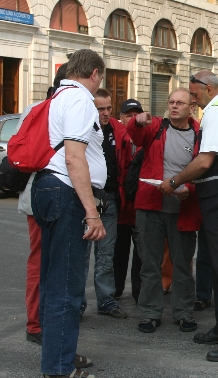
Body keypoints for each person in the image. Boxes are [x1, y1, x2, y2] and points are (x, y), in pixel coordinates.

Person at [159, 70, 218, 362]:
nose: (193, 97)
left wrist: (174, 182)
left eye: (195, 92)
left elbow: (204, 160)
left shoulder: (215, 111)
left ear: (208, 87)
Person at [31, 48, 107, 378]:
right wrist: (92, 213)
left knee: (52, 279)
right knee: (66, 284)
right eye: (100, 79)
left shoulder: (56, 96)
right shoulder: (79, 99)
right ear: (94, 74)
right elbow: (75, 158)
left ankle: (57, 350)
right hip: (66, 192)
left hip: (48, 189)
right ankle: (58, 368)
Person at [127, 89, 201, 333]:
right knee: (149, 263)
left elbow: (204, 168)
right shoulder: (156, 126)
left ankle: (183, 312)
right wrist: (135, 122)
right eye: (171, 102)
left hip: (183, 207)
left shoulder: (200, 133)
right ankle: (150, 313)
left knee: (182, 264)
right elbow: (135, 136)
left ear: (192, 107)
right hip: (151, 204)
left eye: (180, 103)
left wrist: (188, 188)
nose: (174, 106)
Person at [20, 64, 68, 346]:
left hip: (43, 196)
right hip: (45, 197)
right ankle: (37, 323)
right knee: (43, 261)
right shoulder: (45, 110)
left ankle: (44, 319)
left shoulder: (35, 108)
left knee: (50, 260)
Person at [81, 89, 128, 319]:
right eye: (101, 109)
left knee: (106, 255)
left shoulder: (118, 130)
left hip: (109, 198)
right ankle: (77, 303)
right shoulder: (82, 129)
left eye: (109, 108)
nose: (106, 113)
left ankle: (107, 301)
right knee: (81, 254)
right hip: (85, 198)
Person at [112, 99, 144, 302]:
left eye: (136, 115)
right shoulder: (116, 138)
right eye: (128, 115)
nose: (132, 118)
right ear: (121, 118)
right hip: (121, 205)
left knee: (142, 254)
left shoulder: (145, 140)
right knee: (119, 252)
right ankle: (116, 289)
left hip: (139, 205)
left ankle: (139, 292)